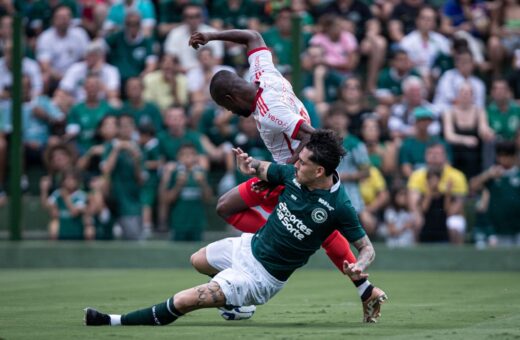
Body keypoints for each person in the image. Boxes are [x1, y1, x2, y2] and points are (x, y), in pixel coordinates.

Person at [84, 129, 386, 326]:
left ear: (319, 171)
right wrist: (248, 163)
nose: (295, 165)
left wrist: (360, 267)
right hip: (246, 247)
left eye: (302, 162)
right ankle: (239, 307)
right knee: (197, 260)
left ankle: (113, 320)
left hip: (261, 278)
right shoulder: (294, 176)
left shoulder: (339, 207)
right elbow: (264, 167)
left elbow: (367, 248)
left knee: (187, 300)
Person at [188, 29, 386, 321]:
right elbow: (253, 36)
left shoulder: (271, 111)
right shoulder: (262, 74)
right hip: (284, 172)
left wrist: (291, 171)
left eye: (227, 106)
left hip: (297, 177)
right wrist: (211, 35)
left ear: (231, 97)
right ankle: (359, 285)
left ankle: (354, 283)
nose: (230, 112)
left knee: (323, 232)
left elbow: (312, 136)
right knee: (228, 206)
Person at [408, 143, 468, 244]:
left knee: (455, 223)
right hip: (425, 215)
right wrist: (430, 192)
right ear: (425, 157)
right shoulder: (416, 176)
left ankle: (456, 256)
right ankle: (416, 254)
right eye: (430, 153)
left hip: (446, 217)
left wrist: (447, 194)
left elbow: (453, 210)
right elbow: (414, 206)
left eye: (438, 154)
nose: (434, 157)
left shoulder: (457, 176)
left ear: (445, 157)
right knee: (416, 219)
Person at [470, 141, 520, 246]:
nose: (505, 159)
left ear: (514, 157)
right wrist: (487, 175)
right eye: (502, 156)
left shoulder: (518, 174)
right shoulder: (492, 174)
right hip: (497, 228)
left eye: (508, 156)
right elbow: (473, 186)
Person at [160, 143, 213, 241]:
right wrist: (178, 185)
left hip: (197, 223)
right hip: (178, 223)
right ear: (178, 157)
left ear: (196, 157)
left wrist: (202, 183)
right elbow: (167, 200)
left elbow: (208, 198)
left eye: (192, 154)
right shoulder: (174, 173)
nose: (188, 157)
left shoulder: (201, 173)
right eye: (184, 154)